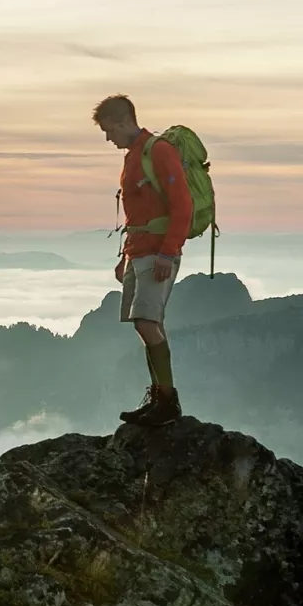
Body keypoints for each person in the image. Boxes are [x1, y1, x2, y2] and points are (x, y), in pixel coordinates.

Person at [93, 94, 193, 427]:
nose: (109, 138)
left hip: (157, 252)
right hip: (139, 252)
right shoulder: (133, 157)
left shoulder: (159, 151)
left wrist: (168, 251)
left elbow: (183, 205)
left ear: (124, 121)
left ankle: (166, 402)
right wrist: (125, 257)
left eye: (109, 130)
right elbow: (138, 212)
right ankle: (158, 398)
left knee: (146, 322)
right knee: (147, 325)